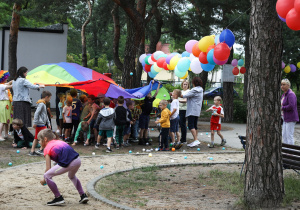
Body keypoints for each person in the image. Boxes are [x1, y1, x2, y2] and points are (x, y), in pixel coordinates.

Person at [38, 129, 89, 206]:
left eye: (39, 140)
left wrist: (44, 179)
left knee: (47, 175)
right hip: (77, 160)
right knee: (71, 176)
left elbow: (48, 168)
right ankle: (83, 195)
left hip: (69, 163)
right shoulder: (60, 141)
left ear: (45, 139)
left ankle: (58, 197)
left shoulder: (46, 149)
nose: (39, 142)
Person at [182, 77, 203, 148]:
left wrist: (175, 93)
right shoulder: (200, 89)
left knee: (191, 125)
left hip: (192, 110)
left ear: (194, 83)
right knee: (195, 125)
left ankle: (196, 140)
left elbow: (184, 95)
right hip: (197, 110)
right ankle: (195, 140)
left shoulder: (194, 90)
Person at [29, 91, 52, 156]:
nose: (50, 99)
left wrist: (49, 123)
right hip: (40, 123)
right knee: (45, 136)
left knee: (36, 137)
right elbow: (36, 113)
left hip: (41, 123)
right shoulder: (41, 104)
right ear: (46, 97)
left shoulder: (43, 104)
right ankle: (41, 149)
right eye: (49, 98)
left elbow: (46, 115)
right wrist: (35, 122)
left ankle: (32, 151)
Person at [139, 81, 161, 145]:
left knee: (146, 128)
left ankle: (146, 139)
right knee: (142, 128)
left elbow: (156, 93)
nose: (150, 95)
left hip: (147, 116)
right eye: (149, 94)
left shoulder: (151, 100)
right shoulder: (145, 100)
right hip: (143, 115)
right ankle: (141, 139)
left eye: (150, 94)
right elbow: (149, 90)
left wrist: (158, 85)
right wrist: (151, 84)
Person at [281, 79, 299, 145]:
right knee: (284, 135)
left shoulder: (291, 94)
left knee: (289, 136)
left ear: (288, 85)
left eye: (284, 84)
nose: (282, 86)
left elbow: (291, 106)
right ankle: (286, 151)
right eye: (281, 85)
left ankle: (291, 152)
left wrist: (282, 108)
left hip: (291, 118)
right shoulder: (284, 94)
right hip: (285, 118)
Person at [0, 70, 13, 141]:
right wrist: (16, 83)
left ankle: (6, 134)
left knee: (6, 120)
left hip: (6, 103)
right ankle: (0, 135)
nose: (7, 79)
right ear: (3, 78)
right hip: (3, 103)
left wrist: (11, 81)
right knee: (2, 120)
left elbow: (8, 84)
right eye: (6, 77)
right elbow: (9, 86)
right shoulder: (1, 86)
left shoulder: (2, 85)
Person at [178, 80, 190, 144]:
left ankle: (184, 139)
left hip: (184, 109)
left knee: (183, 124)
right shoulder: (181, 91)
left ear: (188, 85)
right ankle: (179, 138)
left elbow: (185, 100)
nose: (185, 85)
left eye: (186, 84)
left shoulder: (188, 92)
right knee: (180, 124)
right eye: (184, 84)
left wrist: (179, 100)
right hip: (179, 109)